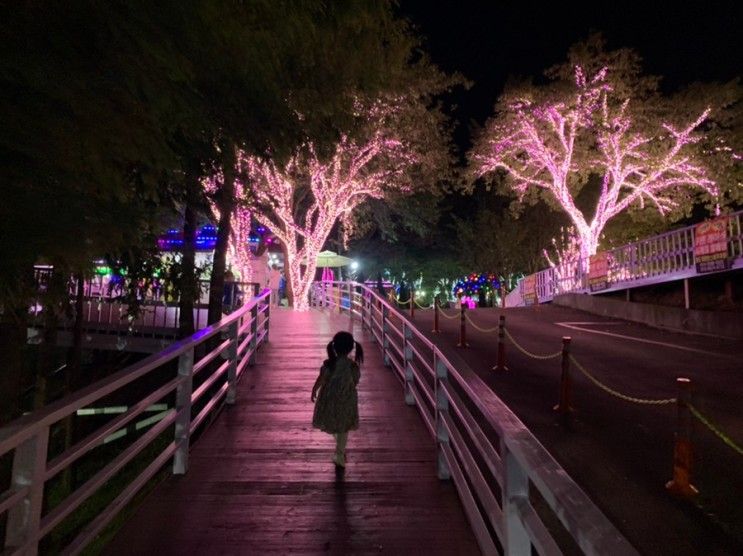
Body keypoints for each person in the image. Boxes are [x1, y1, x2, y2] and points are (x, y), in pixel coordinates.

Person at [311, 331, 364, 468]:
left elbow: (321, 378)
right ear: (351, 348)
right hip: (346, 400)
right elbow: (355, 380)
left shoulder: (329, 364)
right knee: (343, 427)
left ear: (334, 347)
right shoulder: (352, 366)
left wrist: (314, 389)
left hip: (329, 400)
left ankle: (340, 453)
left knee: (334, 425)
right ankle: (340, 453)